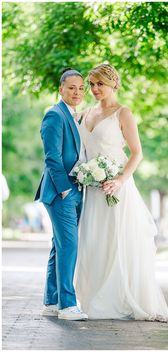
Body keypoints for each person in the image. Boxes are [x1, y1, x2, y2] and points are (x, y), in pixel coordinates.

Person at [75, 64, 168, 322]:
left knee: (118, 242)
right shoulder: (84, 114)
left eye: (100, 84)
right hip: (94, 190)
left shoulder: (123, 113)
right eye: (92, 84)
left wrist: (119, 180)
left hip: (117, 188)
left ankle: (122, 298)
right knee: (94, 242)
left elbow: (137, 153)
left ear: (113, 85)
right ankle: (93, 298)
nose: (95, 89)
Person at [35, 68, 88, 321]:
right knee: (69, 245)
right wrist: (65, 189)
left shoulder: (74, 116)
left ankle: (51, 302)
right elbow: (52, 157)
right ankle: (68, 305)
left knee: (59, 246)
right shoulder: (54, 115)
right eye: (71, 88)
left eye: (80, 88)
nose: (77, 92)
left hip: (76, 188)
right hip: (60, 192)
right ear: (61, 89)